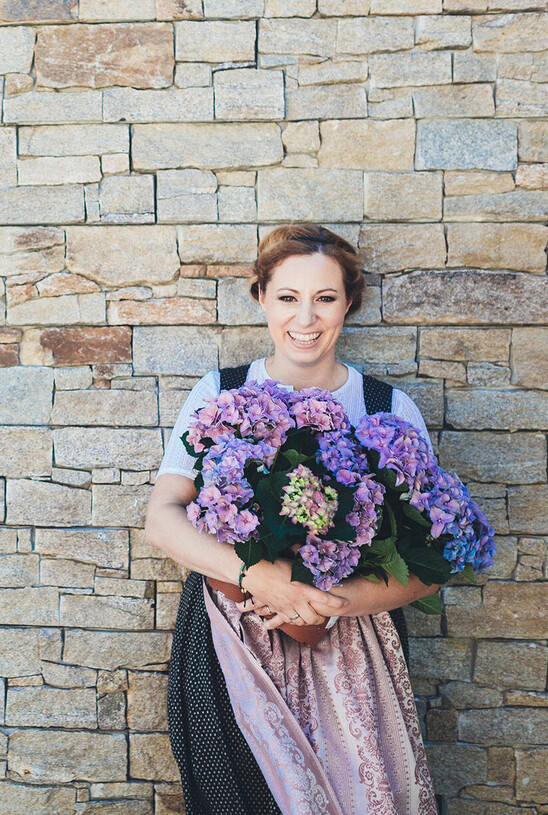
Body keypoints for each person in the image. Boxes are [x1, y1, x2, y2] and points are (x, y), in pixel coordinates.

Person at [145, 223, 440, 815]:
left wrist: (340, 601)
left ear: (349, 304)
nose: (306, 318)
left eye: (325, 299)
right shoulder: (221, 392)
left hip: (356, 646)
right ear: (261, 298)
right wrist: (261, 578)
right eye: (288, 297)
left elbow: (433, 560)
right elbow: (162, 519)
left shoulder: (386, 408)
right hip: (233, 631)